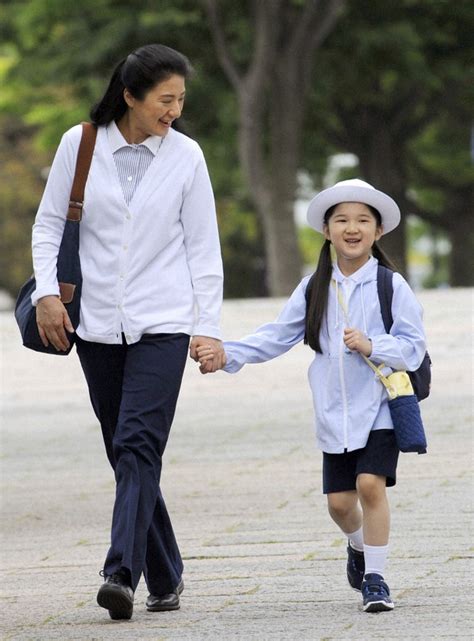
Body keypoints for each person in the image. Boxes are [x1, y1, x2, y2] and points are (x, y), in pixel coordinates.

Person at [31, 43, 226, 620]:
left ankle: (121, 570)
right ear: (130, 97)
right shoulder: (81, 143)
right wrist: (46, 292)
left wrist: (207, 327)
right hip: (94, 325)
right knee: (125, 450)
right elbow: (47, 224)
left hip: (162, 323)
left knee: (139, 443)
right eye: (165, 99)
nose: (175, 110)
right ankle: (167, 573)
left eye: (181, 100)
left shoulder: (187, 156)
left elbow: (204, 249)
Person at [197, 179, 427, 613]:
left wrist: (373, 344)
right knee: (341, 505)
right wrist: (228, 353)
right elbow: (278, 336)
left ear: (378, 232)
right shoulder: (313, 287)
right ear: (327, 230)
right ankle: (358, 546)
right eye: (342, 220)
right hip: (333, 414)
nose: (352, 228)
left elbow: (414, 347)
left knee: (370, 485)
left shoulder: (391, 286)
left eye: (363, 220)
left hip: (380, 405)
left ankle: (376, 580)